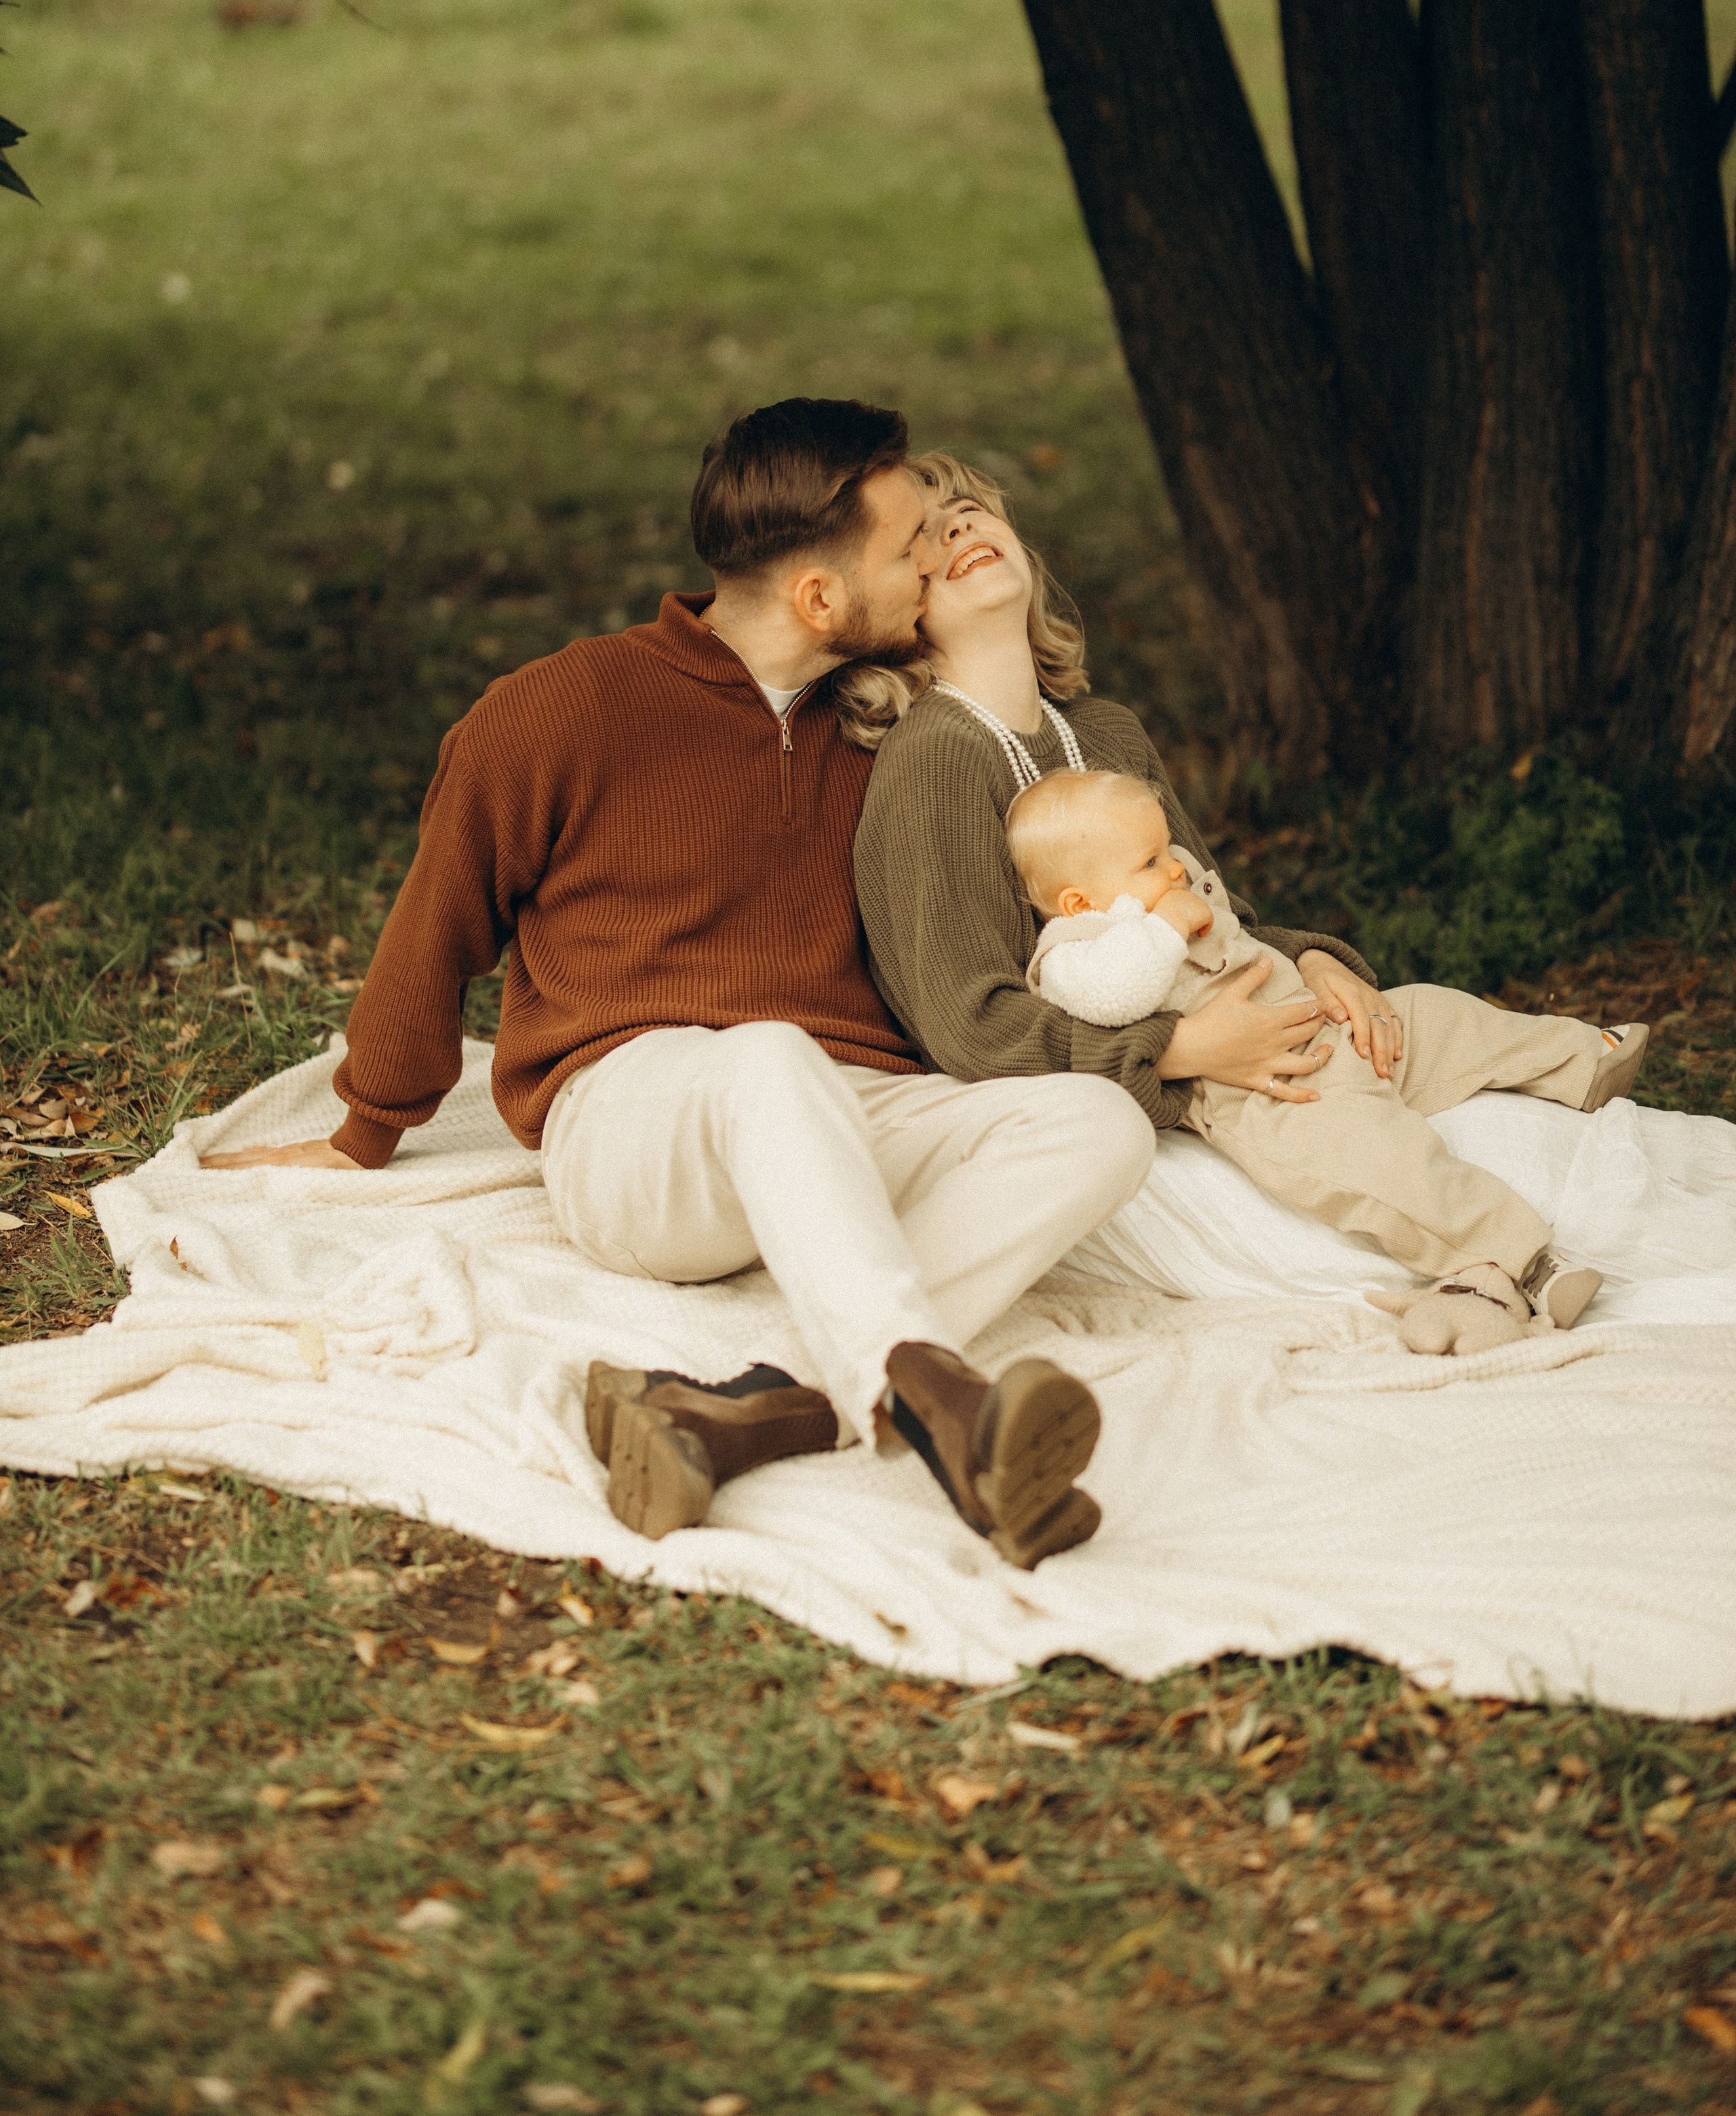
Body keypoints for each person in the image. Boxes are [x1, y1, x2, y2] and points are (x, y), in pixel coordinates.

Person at [201, 401, 1156, 1566]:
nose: (936, 557)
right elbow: (438, 919)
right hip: (639, 1125)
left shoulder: (897, 721)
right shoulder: (562, 709)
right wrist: (365, 1126)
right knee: (764, 1058)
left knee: (1098, 1123)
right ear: (818, 598)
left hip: (849, 1115)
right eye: (911, 546)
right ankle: (941, 1403)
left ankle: (753, 1409)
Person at [846, 454, 1638, 1359]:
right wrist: (1181, 1053)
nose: (958, 530)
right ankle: (1500, 1265)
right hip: (1170, 1067)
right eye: (925, 534)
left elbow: (1212, 905)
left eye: (972, 510)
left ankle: (1580, 1058)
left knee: (1416, 1023)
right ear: (891, 610)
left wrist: (1316, 960)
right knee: (1346, 1134)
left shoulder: (1103, 730)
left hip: (1247, 1000)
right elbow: (968, 1021)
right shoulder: (935, 764)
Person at [1006, 764, 1644, 1350]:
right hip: (1270, 1090)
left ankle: (1578, 1061)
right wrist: (1163, 927)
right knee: (1374, 1160)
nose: (1174, 869)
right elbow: (1117, 998)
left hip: (1321, 1026)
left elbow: (1249, 935)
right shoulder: (1074, 953)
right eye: (1149, 862)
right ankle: (1510, 1265)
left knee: (1431, 1013)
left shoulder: (1163, 892)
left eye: (1168, 848)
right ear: (1079, 902)